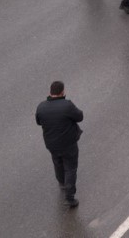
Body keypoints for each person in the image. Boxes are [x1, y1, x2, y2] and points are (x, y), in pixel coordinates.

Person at [35, 81, 83, 209]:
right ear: (62, 92)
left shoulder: (41, 107)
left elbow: (39, 122)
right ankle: (70, 197)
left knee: (57, 162)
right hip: (68, 143)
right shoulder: (67, 105)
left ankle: (61, 182)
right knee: (71, 168)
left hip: (51, 144)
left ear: (50, 92)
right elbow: (80, 117)